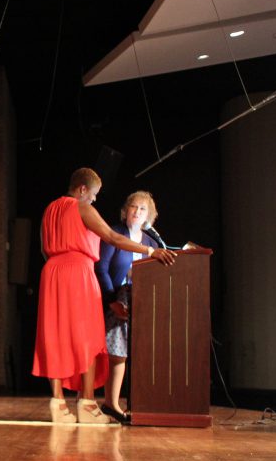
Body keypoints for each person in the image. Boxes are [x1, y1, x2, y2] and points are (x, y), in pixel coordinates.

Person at [33, 168, 175, 424]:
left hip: (51, 272)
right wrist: (149, 251)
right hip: (78, 272)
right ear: (83, 189)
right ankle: (87, 405)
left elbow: (44, 248)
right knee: (88, 336)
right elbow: (111, 236)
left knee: (55, 335)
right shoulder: (81, 207)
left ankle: (58, 404)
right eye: (94, 194)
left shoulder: (49, 209)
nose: (95, 200)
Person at [95, 191, 160, 423]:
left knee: (138, 353)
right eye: (133, 207)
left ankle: (139, 403)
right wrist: (112, 300)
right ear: (125, 210)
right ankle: (109, 402)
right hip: (114, 300)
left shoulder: (152, 242)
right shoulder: (115, 234)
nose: (137, 212)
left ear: (148, 216)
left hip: (142, 302)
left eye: (142, 209)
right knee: (117, 352)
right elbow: (101, 268)